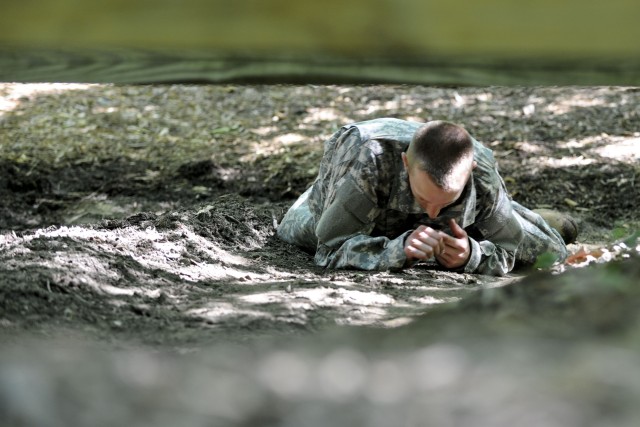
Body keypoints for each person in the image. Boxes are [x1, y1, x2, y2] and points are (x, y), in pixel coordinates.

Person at [277, 118, 576, 276]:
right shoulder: (370, 161)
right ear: (406, 164)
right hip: (358, 204)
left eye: (445, 200)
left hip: (457, 221)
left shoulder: (481, 170)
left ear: (470, 172)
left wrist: (471, 255)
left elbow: (510, 250)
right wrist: (398, 250)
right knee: (293, 234)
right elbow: (327, 250)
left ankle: (513, 213)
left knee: (551, 253)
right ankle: (503, 216)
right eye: (425, 199)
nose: (432, 215)